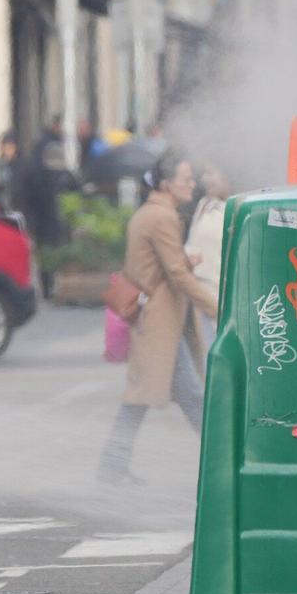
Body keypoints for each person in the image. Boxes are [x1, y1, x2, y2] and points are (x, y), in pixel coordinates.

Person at [98, 154, 216, 484]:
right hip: (160, 321)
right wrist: (214, 306)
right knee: (190, 396)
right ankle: (222, 461)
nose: (192, 184)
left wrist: (183, 261)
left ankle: (112, 465)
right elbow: (175, 273)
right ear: (166, 184)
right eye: (186, 179)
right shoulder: (162, 218)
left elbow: (162, 265)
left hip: (157, 320)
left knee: (143, 399)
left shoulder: (152, 213)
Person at [185, 164, 232, 330]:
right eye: (204, 173)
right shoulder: (204, 204)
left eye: (211, 172)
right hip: (198, 294)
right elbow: (192, 242)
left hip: (222, 295)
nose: (205, 179)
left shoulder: (236, 208)